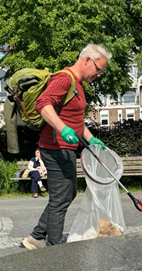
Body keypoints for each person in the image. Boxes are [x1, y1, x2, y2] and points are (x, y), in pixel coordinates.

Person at [22, 44, 109, 250]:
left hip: (66, 147)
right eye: (98, 70)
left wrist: (91, 138)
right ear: (87, 60)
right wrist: (62, 129)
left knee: (67, 194)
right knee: (61, 197)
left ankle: (36, 236)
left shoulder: (77, 84)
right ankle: (54, 245)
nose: (98, 75)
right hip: (55, 148)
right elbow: (43, 104)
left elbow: (76, 119)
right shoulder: (64, 79)